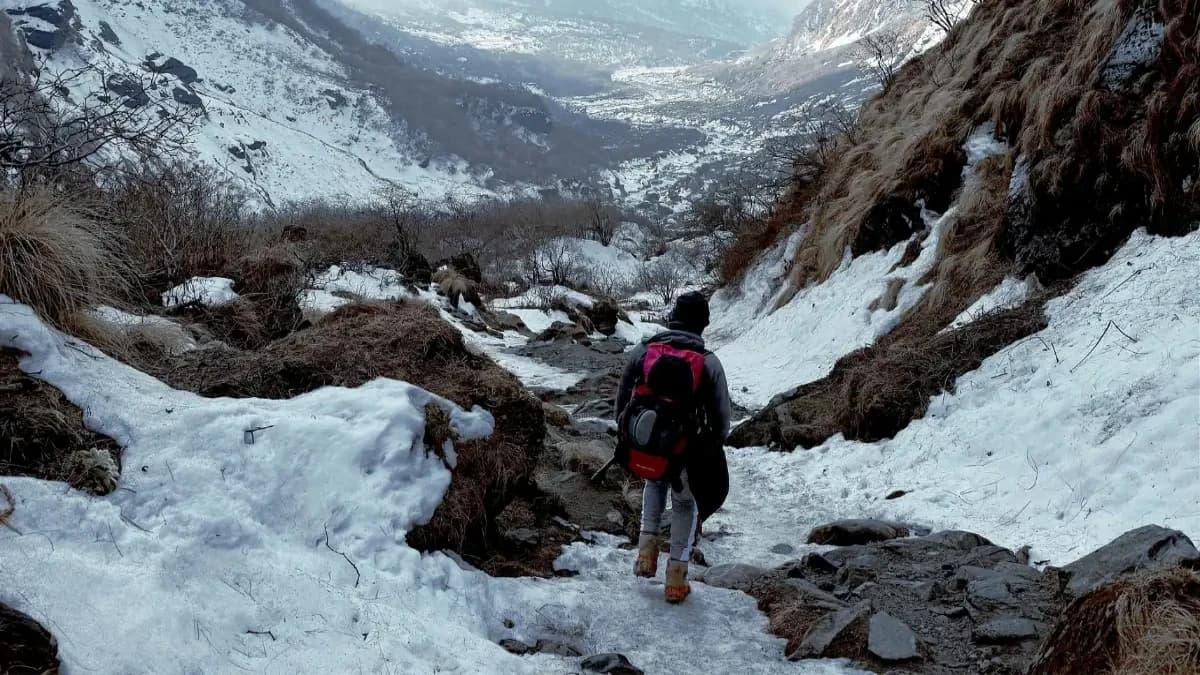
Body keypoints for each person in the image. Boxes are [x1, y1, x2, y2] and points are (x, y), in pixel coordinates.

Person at [615, 291, 731, 603]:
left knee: (654, 484)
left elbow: (624, 391)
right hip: (686, 449)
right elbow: (722, 418)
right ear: (703, 324)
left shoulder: (645, 349)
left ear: (672, 318)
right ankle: (676, 579)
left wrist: (627, 431)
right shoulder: (708, 362)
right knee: (684, 503)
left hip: (650, 441)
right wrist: (713, 446)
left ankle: (645, 556)